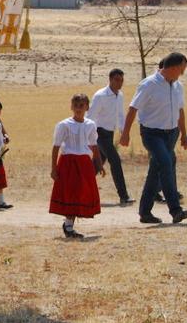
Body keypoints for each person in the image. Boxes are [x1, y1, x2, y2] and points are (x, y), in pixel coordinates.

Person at [120, 53, 187, 225]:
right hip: (152, 134)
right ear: (173, 68)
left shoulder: (178, 86)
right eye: (181, 70)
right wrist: (125, 133)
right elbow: (133, 108)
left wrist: (183, 134)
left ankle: (145, 212)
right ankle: (175, 210)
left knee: (156, 171)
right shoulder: (149, 84)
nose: (182, 74)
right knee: (166, 163)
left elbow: (180, 111)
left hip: (171, 134)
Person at [50, 94, 103, 238]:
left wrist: (99, 164)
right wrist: (54, 168)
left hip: (84, 163)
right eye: (76, 105)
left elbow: (93, 145)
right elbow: (56, 147)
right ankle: (68, 225)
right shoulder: (64, 125)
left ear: (87, 107)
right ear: (71, 107)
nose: (79, 109)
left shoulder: (90, 125)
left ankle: (69, 224)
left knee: (82, 192)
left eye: (82, 105)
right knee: (71, 192)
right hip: (68, 162)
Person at [87, 69, 134, 205]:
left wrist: (124, 132)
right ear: (110, 79)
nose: (120, 83)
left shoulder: (120, 95)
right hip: (99, 133)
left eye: (121, 80)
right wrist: (89, 137)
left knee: (96, 165)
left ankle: (76, 189)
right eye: (117, 80)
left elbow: (120, 115)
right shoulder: (100, 95)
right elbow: (90, 116)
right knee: (115, 161)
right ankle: (124, 196)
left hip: (110, 133)